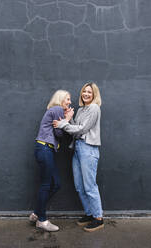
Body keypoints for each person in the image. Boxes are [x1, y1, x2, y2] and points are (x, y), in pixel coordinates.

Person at [53, 82, 104, 232]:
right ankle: (89, 214)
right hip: (78, 148)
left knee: (89, 186)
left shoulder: (94, 108)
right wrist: (69, 118)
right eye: (84, 91)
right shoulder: (82, 109)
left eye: (89, 92)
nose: (86, 94)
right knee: (79, 186)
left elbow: (82, 130)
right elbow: (75, 130)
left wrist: (63, 124)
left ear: (94, 94)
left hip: (88, 149)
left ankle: (98, 218)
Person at [29, 90, 71, 232]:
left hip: (47, 150)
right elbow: (59, 133)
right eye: (67, 99)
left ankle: (36, 212)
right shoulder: (58, 109)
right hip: (44, 149)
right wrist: (67, 119)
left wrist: (63, 121)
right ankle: (42, 220)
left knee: (56, 184)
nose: (69, 102)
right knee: (46, 184)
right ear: (60, 99)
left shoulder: (56, 110)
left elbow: (58, 130)